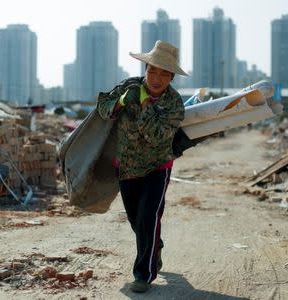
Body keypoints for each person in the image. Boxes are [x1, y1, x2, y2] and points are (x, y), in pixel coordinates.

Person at [97, 40, 188, 293]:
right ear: (145, 69)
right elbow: (103, 109)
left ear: (171, 77)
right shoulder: (129, 86)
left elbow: (157, 136)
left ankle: (143, 274)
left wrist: (146, 104)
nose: (157, 78)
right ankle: (154, 246)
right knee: (136, 221)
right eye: (152, 71)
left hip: (157, 167)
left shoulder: (173, 104)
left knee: (149, 217)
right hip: (126, 165)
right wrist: (121, 102)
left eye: (164, 73)